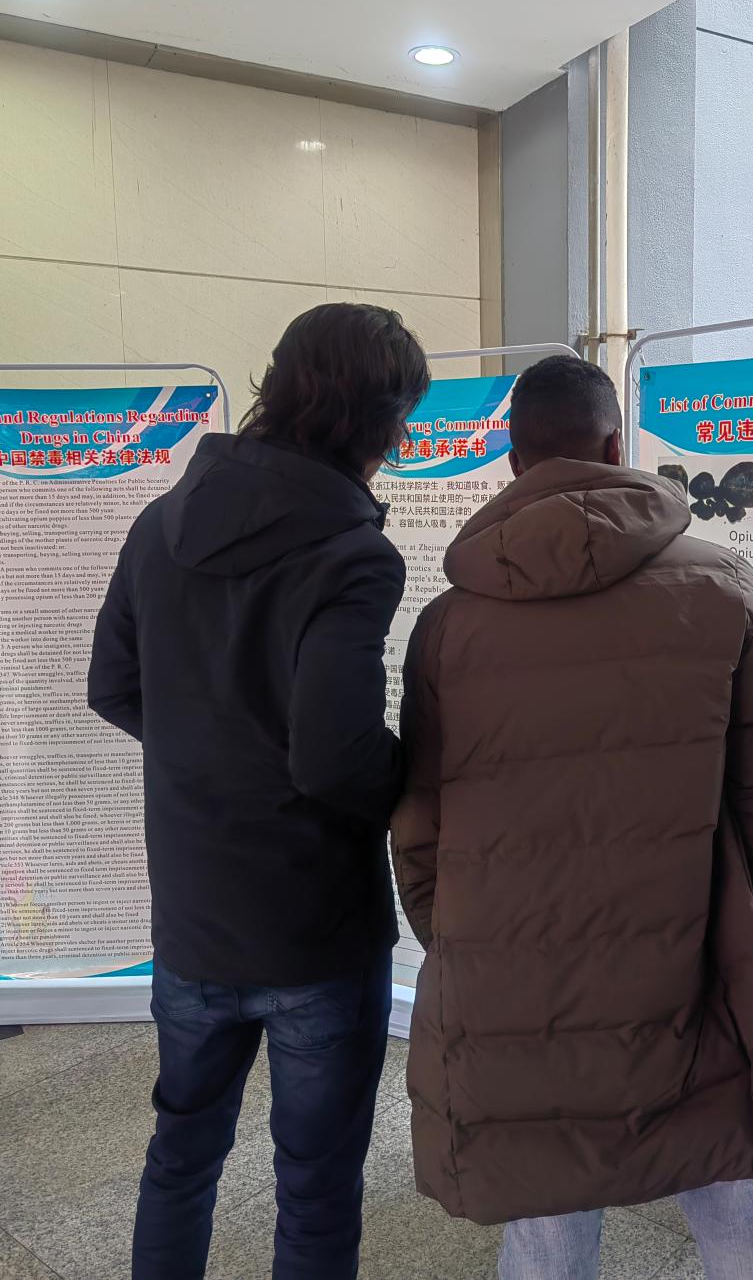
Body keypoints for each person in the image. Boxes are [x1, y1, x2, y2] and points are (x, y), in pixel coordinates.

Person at [392, 356, 753, 1280]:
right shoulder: (722, 586)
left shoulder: (449, 624)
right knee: (733, 1193)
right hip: (694, 960)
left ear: (513, 462)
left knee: (546, 1214)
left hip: (516, 976)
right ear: (616, 448)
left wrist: (460, 942)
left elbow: (420, 819)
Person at [89, 303, 430, 1280]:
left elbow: (111, 686)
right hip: (313, 925)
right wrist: (419, 786)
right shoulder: (353, 553)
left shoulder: (160, 525)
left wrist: (213, 756)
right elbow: (334, 759)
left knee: (180, 1155)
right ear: (379, 422)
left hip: (192, 914)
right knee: (314, 1186)